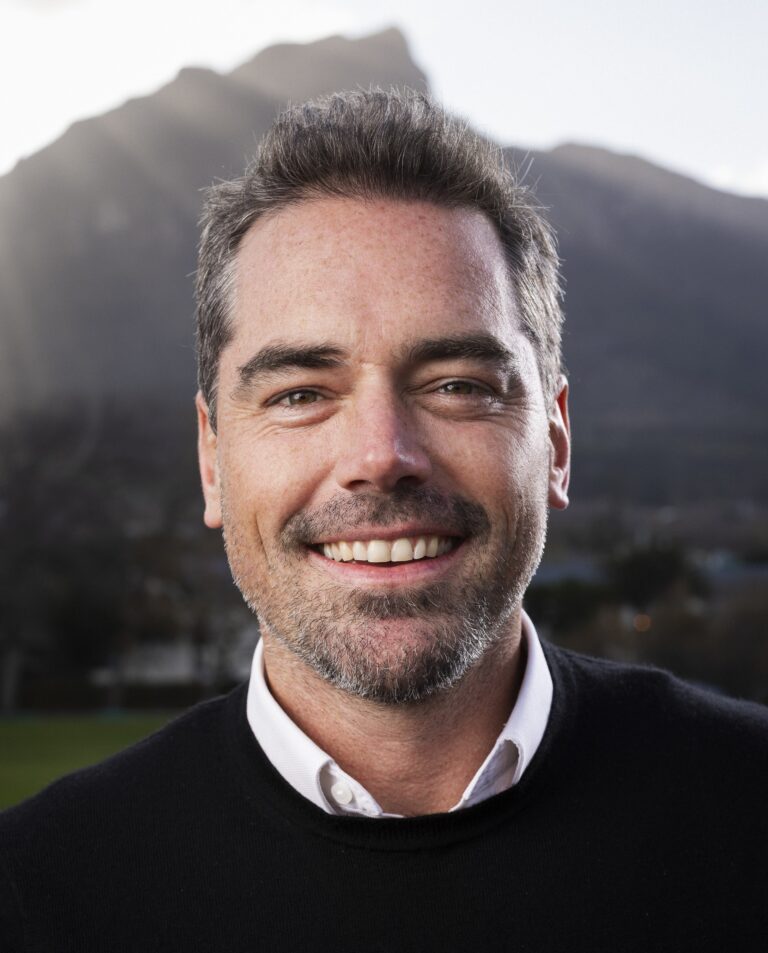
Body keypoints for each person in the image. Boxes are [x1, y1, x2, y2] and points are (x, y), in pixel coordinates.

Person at [1, 89, 766, 952]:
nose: (382, 453)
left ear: (555, 442)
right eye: (300, 394)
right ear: (213, 457)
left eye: (457, 385)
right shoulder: (35, 892)